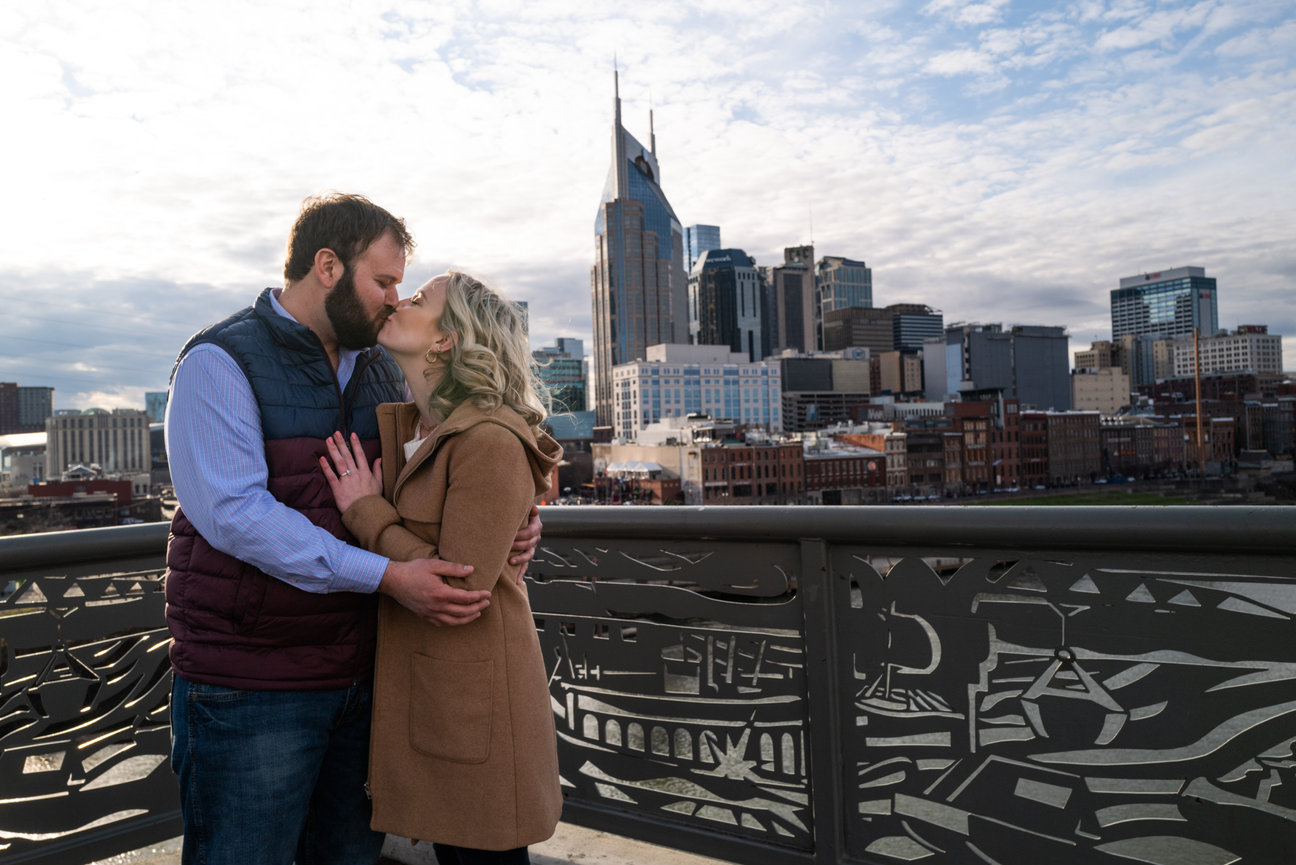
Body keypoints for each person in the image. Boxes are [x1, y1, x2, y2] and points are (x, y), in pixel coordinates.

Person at [164, 194, 542, 865]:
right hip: (254, 685)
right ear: (328, 267)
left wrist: (518, 514)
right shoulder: (219, 361)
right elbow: (235, 516)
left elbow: (457, 459)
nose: (394, 300)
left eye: (405, 288)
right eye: (385, 281)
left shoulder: (382, 368)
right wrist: (388, 575)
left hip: (368, 679)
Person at [321, 270, 563, 865]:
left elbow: (459, 586)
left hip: (476, 706)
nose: (398, 302)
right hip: (430, 700)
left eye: (418, 299)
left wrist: (366, 512)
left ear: (446, 339)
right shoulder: (414, 428)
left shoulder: (488, 439)